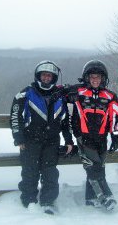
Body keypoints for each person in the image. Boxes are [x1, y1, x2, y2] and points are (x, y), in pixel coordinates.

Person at [9, 60, 74, 215]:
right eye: (44, 75)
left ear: (54, 78)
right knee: (30, 171)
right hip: (30, 140)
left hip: (52, 141)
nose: (46, 78)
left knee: (50, 172)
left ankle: (48, 201)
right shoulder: (26, 93)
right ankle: (29, 200)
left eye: (49, 76)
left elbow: (65, 121)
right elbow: (14, 116)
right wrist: (18, 138)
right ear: (38, 76)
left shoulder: (60, 97)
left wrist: (69, 140)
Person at [67, 60, 118, 211]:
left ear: (103, 78)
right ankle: (105, 197)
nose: (95, 80)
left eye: (98, 77)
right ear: (86, 78)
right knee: (93, 167)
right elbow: (58, 91)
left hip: (102, 138)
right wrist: (70, 90)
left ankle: (90, 198)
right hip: (83, 137)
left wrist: (116, 137)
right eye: (92, 77)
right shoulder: (79, 92)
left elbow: (115, 117)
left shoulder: (110, 96)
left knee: (100, 167)